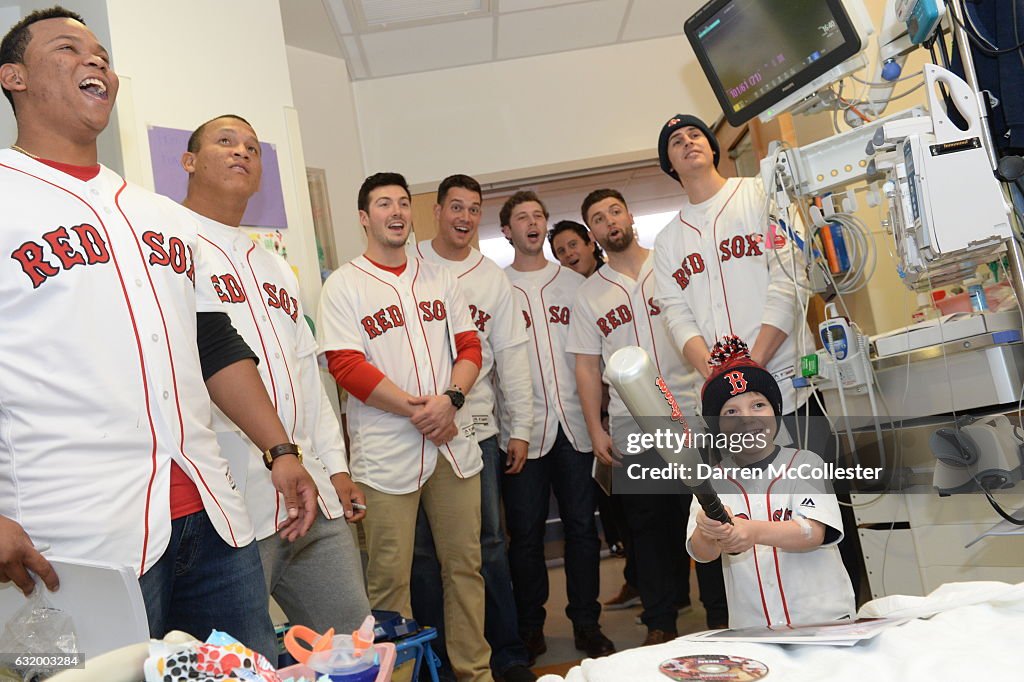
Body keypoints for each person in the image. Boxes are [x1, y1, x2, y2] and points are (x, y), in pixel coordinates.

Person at [0, 7, 316, 660]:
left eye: (101, 54)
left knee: (243, 672)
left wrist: (279, 448)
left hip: (210, 515)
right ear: (14, 78)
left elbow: (213, 343)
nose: (97, 61)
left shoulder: (160, 214)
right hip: (73, 536)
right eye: (68, 49)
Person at [652, 113, 861, 595]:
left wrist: (754, 364)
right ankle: (752, 619)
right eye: (676, 142)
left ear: (712, 146)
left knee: (819, 510)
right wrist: (716, 375)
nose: (688, 143)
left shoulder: (760, 195)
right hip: (728, 409)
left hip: (787, 384)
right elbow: (677, 316)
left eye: (695, 135)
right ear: (669, 162)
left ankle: (843, 612)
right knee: (737, 515)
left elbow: (790, 278)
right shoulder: (667, 242)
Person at [180, 114, 371, 633]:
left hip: (312, 492)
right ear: (189, 161)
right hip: (236, 500)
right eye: (226, 141)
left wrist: (336, 467)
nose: (242, 152)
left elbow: (309, 378)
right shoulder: (173, 250)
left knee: (352, 638)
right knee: (242, 655)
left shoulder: (274, 266)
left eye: (252, 147)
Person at [318, 172, 492, 682]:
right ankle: (393, 678)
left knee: (465, 569)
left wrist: (451, 400)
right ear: (363, 218)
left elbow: (470, 348)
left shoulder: (439, 278)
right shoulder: (344, 284)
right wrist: (421, 409)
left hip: (451, 446)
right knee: (389, 582)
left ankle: (474, 672)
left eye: (401, 203)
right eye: (382, 204)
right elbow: (345, 364)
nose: (395, 212)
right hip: (386, 451)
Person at [567, 188, 727, 645]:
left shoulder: (669, 266)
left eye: (615, 211)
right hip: (631, 425)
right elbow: (585, 365)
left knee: (708, 516)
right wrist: (596, 429)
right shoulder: (589, 295)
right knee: (648, 529)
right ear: (592, 231)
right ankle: (661, 621)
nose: (609, 221)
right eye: (598, 218)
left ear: (629, 216)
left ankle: (721, 614)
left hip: (691, 413)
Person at [409, 174, 536, 682]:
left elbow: (511, 356)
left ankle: (505, 654)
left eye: (473, 209)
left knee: (486, 545)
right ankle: (432, 660)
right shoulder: (410, 261)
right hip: (410, 428)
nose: (464, 218)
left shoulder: (492, 279)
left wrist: (519, 427)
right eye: (455, 207)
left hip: (474, 427)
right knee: (423, 554)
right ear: (437, 211)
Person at [499, 191, 615, 661]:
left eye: (538, 216)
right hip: (522, 431)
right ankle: (530, 626)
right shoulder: (495, 287)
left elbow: (594, 356)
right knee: (525, 536)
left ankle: (586, 623)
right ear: (506, 231)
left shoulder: (574, 285)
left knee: (582, 530)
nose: (531, 223)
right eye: (521, 218)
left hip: (576, 426)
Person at [686, 336, 856, 628]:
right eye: (731, 412)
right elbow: (702, 553)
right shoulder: (711, 482)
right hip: (753, 626)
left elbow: (812, 533)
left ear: (776, 411)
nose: (747, 419)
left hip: (822, 620)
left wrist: (751, 531)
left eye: (758, 405)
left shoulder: (806, 464)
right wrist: (707, 529)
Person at [549, 218, 636, 611]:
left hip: (632, 409)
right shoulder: (571, 294)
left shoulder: (615, 282)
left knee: (641, 509)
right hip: (598, 417)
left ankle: (651, 585)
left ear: (591, 242)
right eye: (561, 251)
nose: (569, 255)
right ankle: (636, 579)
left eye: (573, 245)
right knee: (614, 507)